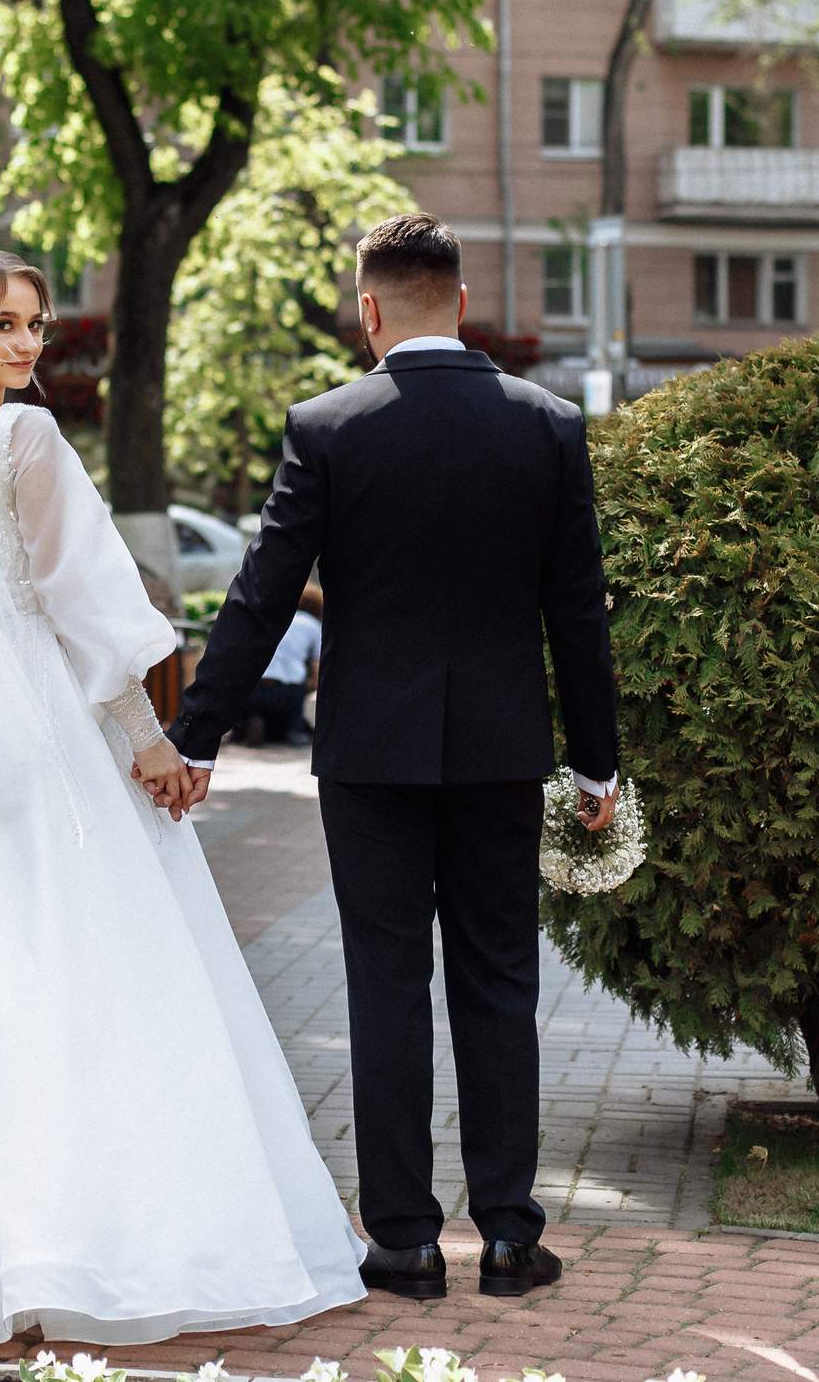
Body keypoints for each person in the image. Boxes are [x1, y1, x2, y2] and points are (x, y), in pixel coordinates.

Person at [0, 243, 366, 1347]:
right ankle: (81, 1234)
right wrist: (151, 743)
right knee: (90, 956)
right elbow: (83, 602)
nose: (27, 344)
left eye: (36, 324)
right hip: (25, 719)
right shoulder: (26, 438)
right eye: (4, 324)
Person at [166, 212, 620, 1303]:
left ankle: (404, 1243)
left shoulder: (327, 426)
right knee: (500, 982)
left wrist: (197, 735)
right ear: (461, 302)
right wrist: (596, 765)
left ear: (367, 309)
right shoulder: (549, 424)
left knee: (385, 985)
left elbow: (262, 592)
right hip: (504, 752)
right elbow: (577, 609)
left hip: (370, 755)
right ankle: (509, 1237)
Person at [240, 585, 322, 743]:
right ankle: (294, 730)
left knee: (250, 712)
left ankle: (253, 720)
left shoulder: (266, 616)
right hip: (287, 692)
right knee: (293, 702)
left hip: (251, 690)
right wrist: (310, 686)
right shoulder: (312, 625)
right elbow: (317, 671)